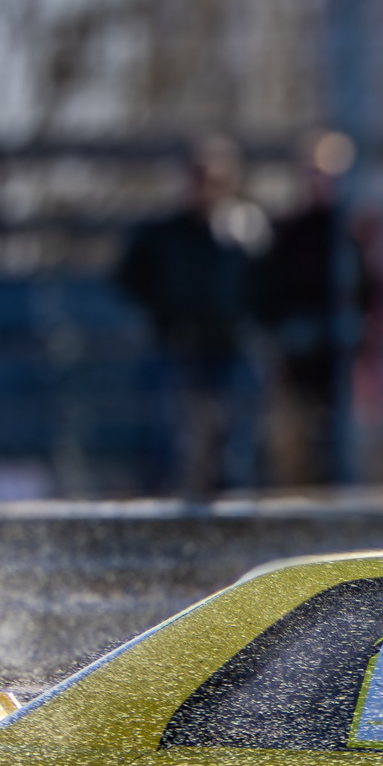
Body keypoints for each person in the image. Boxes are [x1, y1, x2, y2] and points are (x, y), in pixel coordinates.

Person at [115, 137, 265, 499]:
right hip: (176, 346)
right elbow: (127, 277)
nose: (204, 186)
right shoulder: (162, 233)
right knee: (163, 442)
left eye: (213, 176)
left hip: (231, 348)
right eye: (197, 176)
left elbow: (268, 284)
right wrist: (165, 316)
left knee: (233, 449)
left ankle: (232, 514)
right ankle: (160, 514)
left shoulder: (246, 230)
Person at [252, 130, 383, 488]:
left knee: (343, 455)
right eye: (313, 172)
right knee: (294, 450)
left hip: (346, 362)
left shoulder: (362, 231)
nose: (321, 181)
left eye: (330, 173)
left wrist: (368, 343)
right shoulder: (289, 232)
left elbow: (381, 296)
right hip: (298, 362)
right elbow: (269, 294)